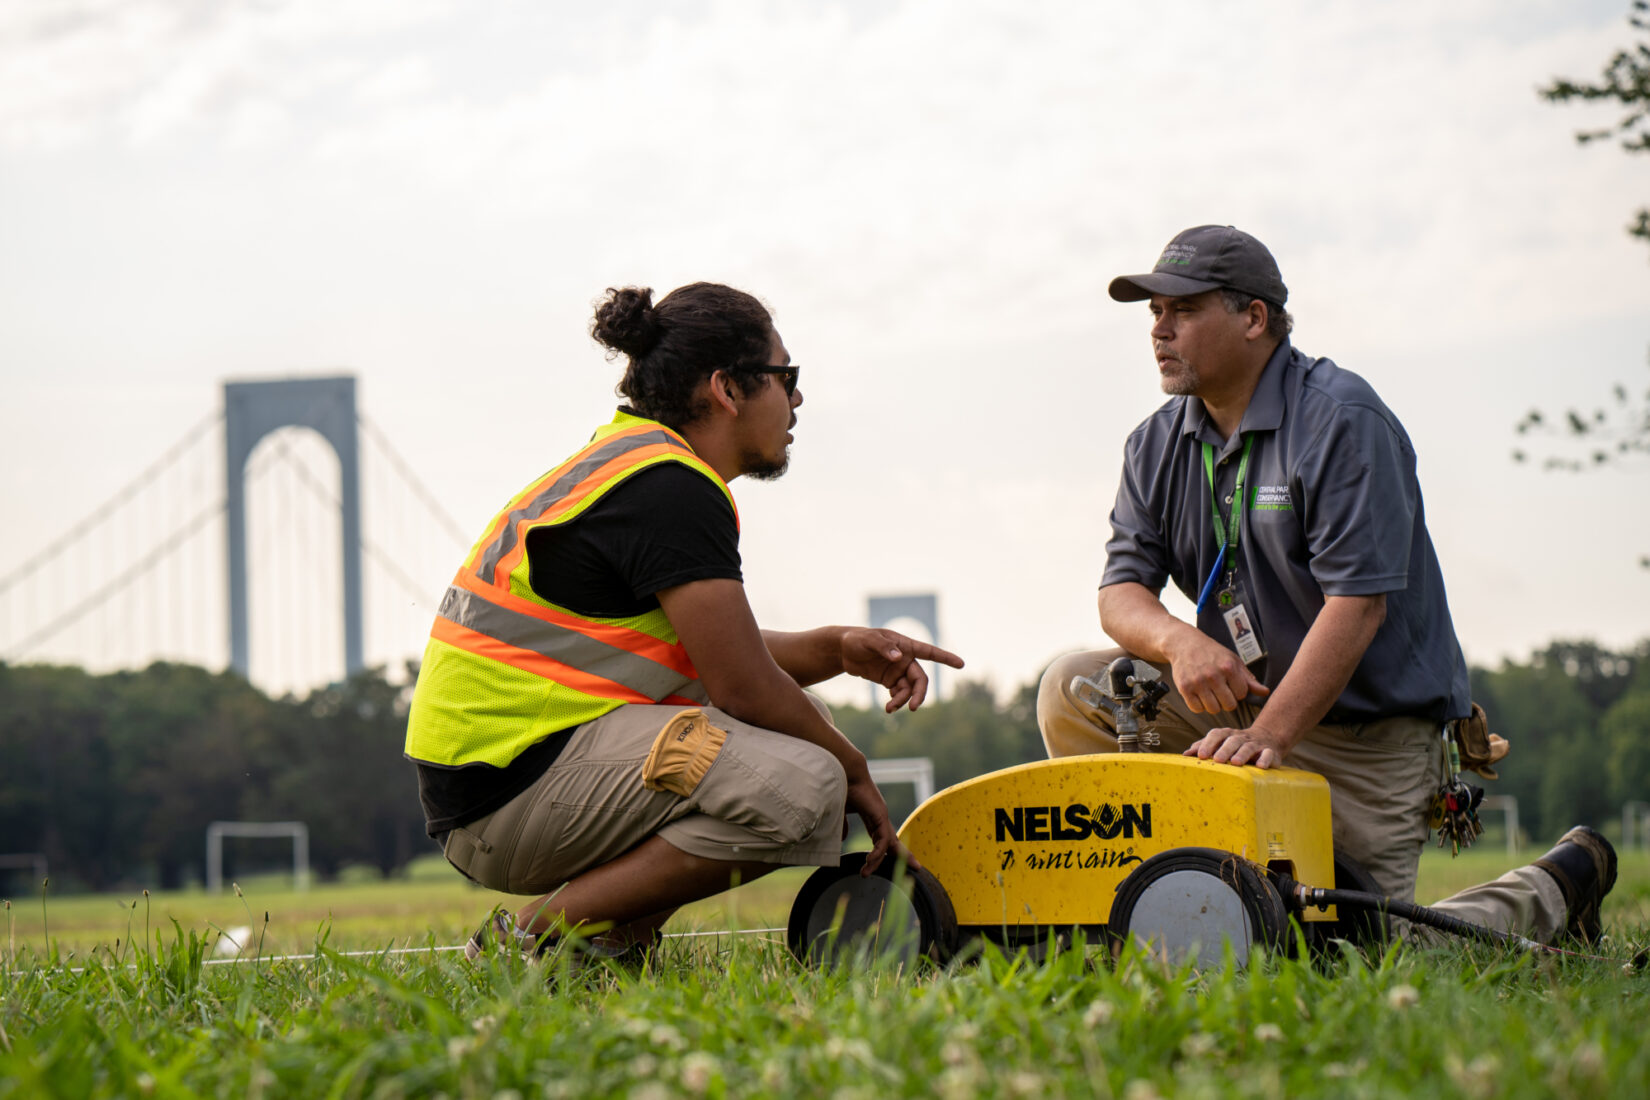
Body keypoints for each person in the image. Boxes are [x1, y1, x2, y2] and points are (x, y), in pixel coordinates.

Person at [1038, 226, 1615, 944]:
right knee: (1072, 686)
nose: (1159, 329)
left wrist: (1274, 735)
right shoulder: (1154, 442)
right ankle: (1147, 912)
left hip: (1363, 735)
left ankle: (1555, 889)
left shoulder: (1343, 419)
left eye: (1181, 311)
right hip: (1238, 716)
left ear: (1254, 318)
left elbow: (1358, 605)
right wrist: (1180, 643)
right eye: (1154, 312)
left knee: (1356, 952)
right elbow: (1119, 591)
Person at [406, 281, 964, 961]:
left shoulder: (633, 462)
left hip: (498, 778)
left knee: (781, 740)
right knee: (807, 781)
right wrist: (852, 767)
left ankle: (605, 945)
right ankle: (527, 940)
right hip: (509, 791)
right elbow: (741, 687)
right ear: (728, 388)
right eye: (786, 378)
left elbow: (710, 651)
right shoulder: (672, 488)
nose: (797, 400)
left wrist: (837, 648)